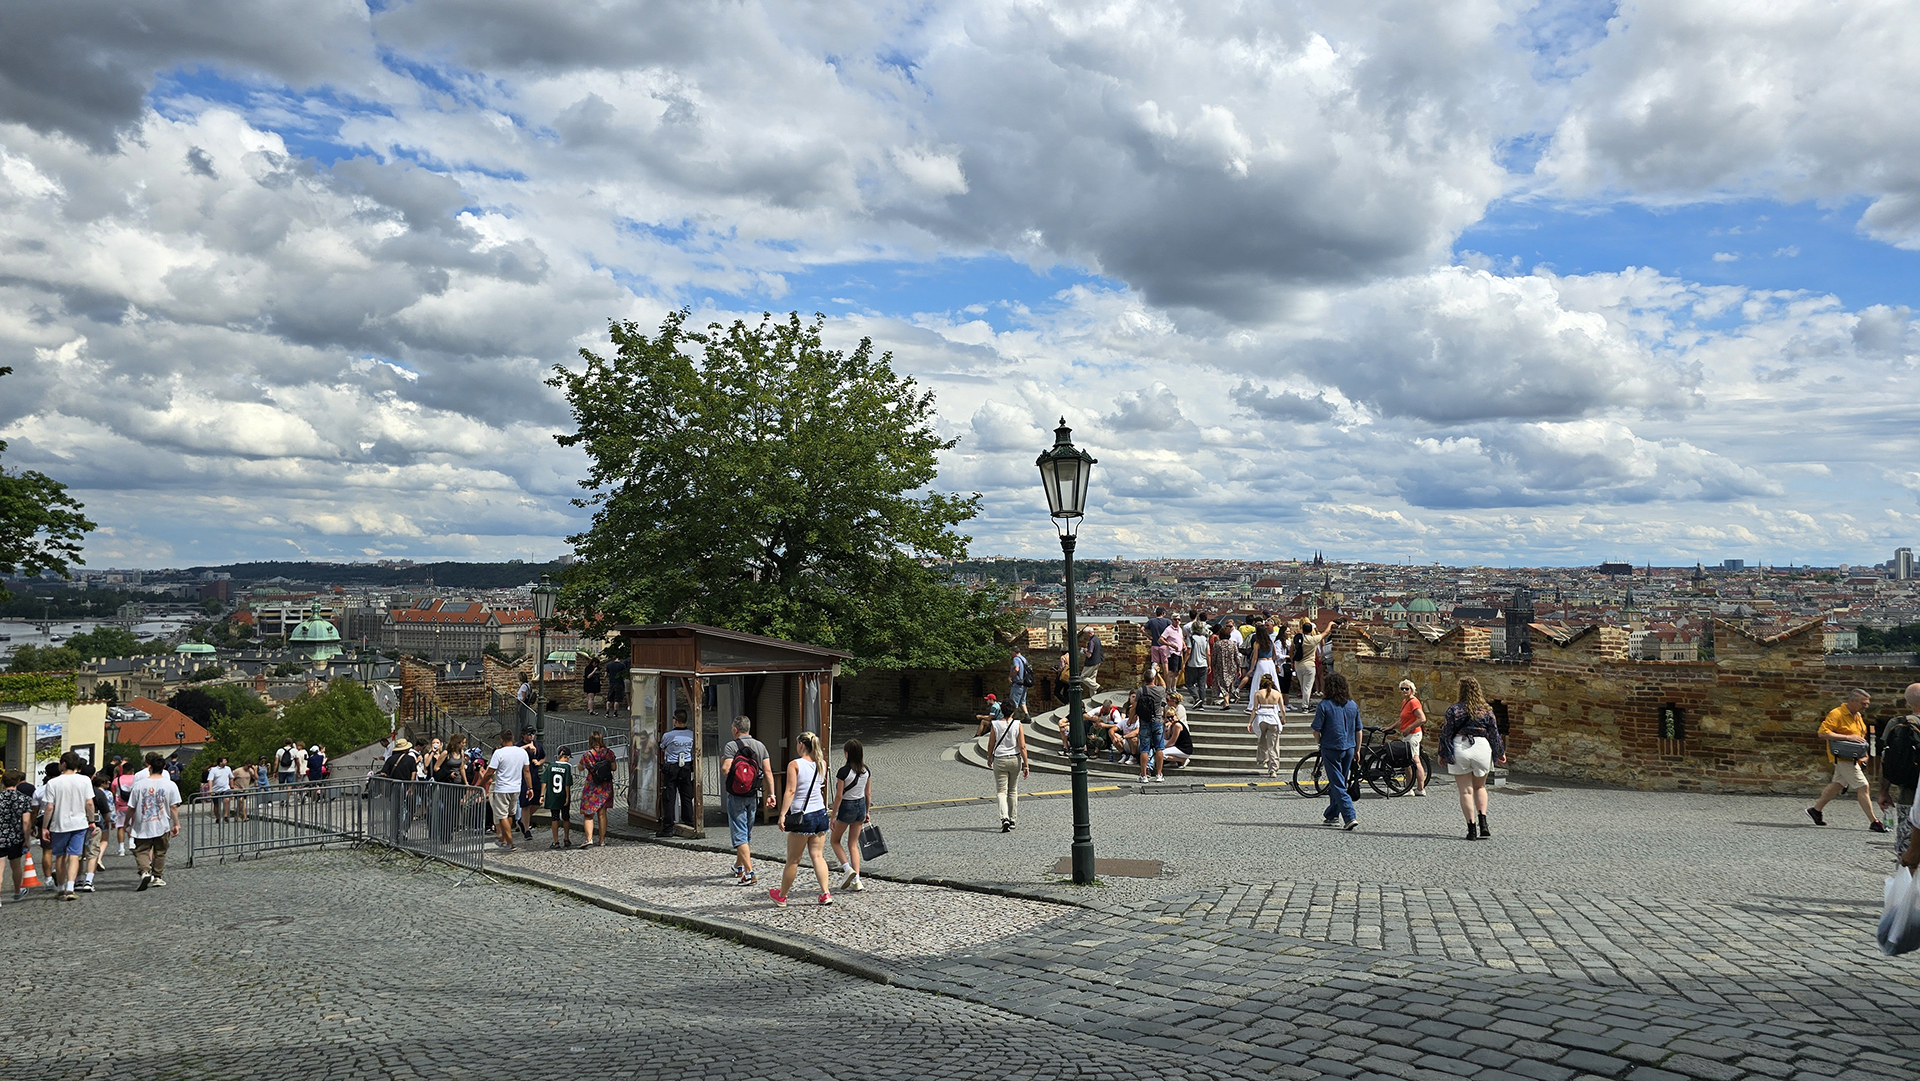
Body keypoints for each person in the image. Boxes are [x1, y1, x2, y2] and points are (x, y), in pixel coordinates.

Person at [770, 731, 834, 907]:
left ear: (800, 745)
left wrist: (782, 814)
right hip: (820, 813)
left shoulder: (795, 764)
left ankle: (782, 896)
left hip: (802, 816)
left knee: (793, 860)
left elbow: (790, 791)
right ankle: (825, 893)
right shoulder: (822, 763)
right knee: (818, 856)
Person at [1808, 688, 1885, 831]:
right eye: (1864, 703)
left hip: (1852, 756)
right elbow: (1822, 733)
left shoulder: (1858, 716)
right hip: (1842, 757)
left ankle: (1816, 810)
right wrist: (1847, 737)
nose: (1866, 706)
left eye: (1867, 703)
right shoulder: (1836, 714)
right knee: (1863, 786)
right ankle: (1874, 821)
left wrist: (1864, 754)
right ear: (1852, 701)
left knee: (1837, 784)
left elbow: (1861, 737)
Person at [1440, 676, 1506, 840]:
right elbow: (1494, 734)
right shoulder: (1486, 710)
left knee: (1466, 791)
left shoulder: (1454, 709)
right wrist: (1500, 752)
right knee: (1480, 787)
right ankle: (1483, 823)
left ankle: (1471, 829)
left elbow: (1446, 733)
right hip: (1481, 747)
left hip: (1461, 746)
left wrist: (1443, 753)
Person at [721, 717, 773, 885]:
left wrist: (723, 761)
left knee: (739, 832)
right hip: (753, 794)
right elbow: (768, 771)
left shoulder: (731, 746)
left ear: (736, 729)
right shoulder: (760, 746)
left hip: (736, 796)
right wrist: (772, 794)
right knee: (745, 831)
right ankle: (738, 866)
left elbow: (726, 770)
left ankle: (749, 873)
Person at [39, 752, 95, 900]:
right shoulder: (84, 780)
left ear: (63, 764)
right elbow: (89, 803)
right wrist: (92, 820)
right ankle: (71, 887)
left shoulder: (53, 783)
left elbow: (49, 807)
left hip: (59, 824)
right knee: (75, 855)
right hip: (79, 823)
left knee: (60, 856)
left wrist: (45, 827)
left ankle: (61, 887)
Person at [1312, 673, 1362, 830]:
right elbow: (1358, 729)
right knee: (1340, 781)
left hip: (1331, 747)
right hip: (1349, 747)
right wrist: (1357, 749)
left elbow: (1316, 729)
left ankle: (1349, 816)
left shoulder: (1324, 705)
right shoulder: (1352, 705)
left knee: (1337, 783)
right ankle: (1332, 814)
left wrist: (1320, 741)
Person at [127, 752, 182, 890]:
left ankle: (145, 870)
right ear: (163, 768)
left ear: (149, 767)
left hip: (142, 823)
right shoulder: (170, 785)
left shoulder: (139, 785)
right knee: (160, 851)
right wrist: (176, 823)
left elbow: (131, 807)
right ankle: (157, 876)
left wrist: (127, 822)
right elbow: (174, 807)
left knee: (141, 850)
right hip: (161, 823)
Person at [1880, 684, 1920, 859]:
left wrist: (1884, 791)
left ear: (1908, 702)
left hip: (1909, 794)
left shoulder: (1898, 724)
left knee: (1907, 844)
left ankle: (1908, 882)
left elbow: (1887, 760)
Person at [829, 739, 872, 893]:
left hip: (847, 806)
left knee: (835, 841)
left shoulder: (843, 772)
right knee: (853, 844)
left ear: (847, 753)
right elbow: (868, 793)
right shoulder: (865, 771)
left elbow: (839, 796)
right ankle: (857, 880)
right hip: (860, 806)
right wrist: (867, 811)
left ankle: (847, 869)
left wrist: (833, 816)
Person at [479, 730, 532, 851]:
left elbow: (489, 772)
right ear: (512, 738)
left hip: (502, 788)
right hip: (516, 787)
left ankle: (510, 842)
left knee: (502, 815)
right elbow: (527, 771)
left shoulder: (499, 753)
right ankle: (504, 839)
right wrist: (530, 787)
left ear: (501, 740)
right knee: (509, 814)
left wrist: (481, 785)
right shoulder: (522, 752)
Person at [983, 694, 1029, 831]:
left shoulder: (995, 724)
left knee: (1001, 791)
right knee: (1013, 790)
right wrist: (1026, 764)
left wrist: (989, 757)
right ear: (1013, 710)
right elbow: (1022, 746)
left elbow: (991, 744)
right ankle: (1013, 818)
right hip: (1015, 759)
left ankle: (1004, 818)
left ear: (1001, 710)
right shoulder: (1017, 724)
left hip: (1000, 759)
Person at [658, 710, 696, 837]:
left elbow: (662, 747)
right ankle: (689, 823)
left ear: (675, 720)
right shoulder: (691, 734)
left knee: (669, 797)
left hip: (672, 766)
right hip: (686, 766)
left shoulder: (668, 736)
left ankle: (668, 827)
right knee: (686, 796)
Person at [579, 731, 617, 848]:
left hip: (592, 786)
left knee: (588, 814)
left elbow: (580, 768)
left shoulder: (587, 755)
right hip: (605, 786)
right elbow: (614, 768)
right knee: (602, 814)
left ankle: (589, 838)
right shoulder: (608, 753)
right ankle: (602, 840)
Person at [1136, 667, 1170, 783]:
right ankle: (1159, 774)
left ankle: (1144, 775)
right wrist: (1159, 673)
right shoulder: (1159, 691)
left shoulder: (1141, 691)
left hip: (1144, 721)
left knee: (1144, 749)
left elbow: (1135, 707)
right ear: (1153, 679)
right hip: (1157, 721)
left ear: (1144, 679)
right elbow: (1164, 685)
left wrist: (1131, 718)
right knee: (1159, 748)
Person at [0, 770, 28, 904]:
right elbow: (26, 822)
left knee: (0, 868)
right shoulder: (23, 799)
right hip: (16, 837)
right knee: (16, 866)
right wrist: (27, 839)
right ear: (18, 782)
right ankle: (17, 892)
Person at [1398, 679, 1429, 796]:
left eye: (1407, 688)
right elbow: (1402, 719)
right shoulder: (1405, 702)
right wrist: (1390, 727)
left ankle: (1420, 788)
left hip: (1413, 734)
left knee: (1415, 761)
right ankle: (1409, 788)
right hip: (1408, 734)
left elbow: (1422, 718)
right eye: (1402, 688)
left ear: (1412, 690)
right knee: (1408, 761)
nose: (1404, 690)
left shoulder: (1413, 702)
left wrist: (1408, 728)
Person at [1251, 674, 1286, 776]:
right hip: (1273, 719)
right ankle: (1273, 768)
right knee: (1273, 745)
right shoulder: (1277, 694)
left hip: (1261, 719)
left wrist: (1250, 722)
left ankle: (1263, 759)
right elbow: (1282, 709)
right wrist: (1283, 718)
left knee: (1262, 739)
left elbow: (1255, 709)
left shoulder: (1258, 693)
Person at [542, 747, 576, 849]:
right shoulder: (567, 767)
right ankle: (566, 838)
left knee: (554, 817)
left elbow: (544, 780)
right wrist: (567, 796)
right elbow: (567, 784)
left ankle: (556, 841)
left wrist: (541, 795)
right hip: (562, 795)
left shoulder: (550, 766)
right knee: (566, 817)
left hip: (552, 796)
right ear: (568, 757)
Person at [1243, 624, 1279, 716]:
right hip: (1270, 663)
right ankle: (1275, 704)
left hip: (1261, 663)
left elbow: (1254, 657)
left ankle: (1253, 706)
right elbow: (1275, 655)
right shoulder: (1270, 642)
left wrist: (1251, 669)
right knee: (1273, 683)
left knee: (1257, 684)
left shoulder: (1257, 643)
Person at [517, 731, 544, 840]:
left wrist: (539, 762)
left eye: (533, 733)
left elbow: (543, 757)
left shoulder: (538, 745)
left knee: (537, 802)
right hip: (523, 778)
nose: (531, 735)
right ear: (523, 734)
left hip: (535, 776)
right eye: (528, 733)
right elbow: (515, 752)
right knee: (526, 804)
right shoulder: (519, 746)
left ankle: (522, 821)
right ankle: (526, 830)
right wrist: (527, 746)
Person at [1294, 619, 1325, 707]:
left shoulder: (1298, 638)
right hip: (1309, 665)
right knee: (1307, 687)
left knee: (1302, 686)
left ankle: (1306, 702)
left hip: (1298, 665)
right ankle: (1305, 706)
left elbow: (1292, 650)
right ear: (1311, 630)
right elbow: (1325, 633)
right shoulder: (1313, 639)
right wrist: (1330, 624)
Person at [1162, 695, 1195, 769]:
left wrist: (1163, 748)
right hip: (1177, 742)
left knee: (1161, 753)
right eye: (1168, 717)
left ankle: (1182, 760)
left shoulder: (1177, 724)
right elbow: (1166, 737)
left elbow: (1172, 742)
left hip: (1183, 747)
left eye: (1172, 717)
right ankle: (1173, 761)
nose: (1170, 719)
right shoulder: (1172, 723)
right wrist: (1166, 728)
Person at [1008, 646, 1033, 722]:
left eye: (1011, 652)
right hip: (1024, 684)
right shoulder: (1023, 659)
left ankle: (1008, 718)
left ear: (1013, 652)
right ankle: (1027, 716)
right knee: (1022, 701)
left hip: (1017, 684)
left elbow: (1016, 669)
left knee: (1013, 702)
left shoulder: (1016, 659)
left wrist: (1010, 676)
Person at [206, 755, 234, 821]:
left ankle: (226, 816)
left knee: (227, 800)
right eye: (225, 760)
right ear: (220, 762)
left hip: (225, 788)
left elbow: (231, 777)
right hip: (216, 789)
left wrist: (232, 786)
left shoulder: (228, 768)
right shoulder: (213, 770)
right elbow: (210, 779)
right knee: (216, 804)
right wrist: (210, 789)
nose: (226, 762)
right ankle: (217, 817)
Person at [1145, 607, 1173, 673]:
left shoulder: (1151, 621)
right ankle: (1166, 682)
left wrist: (1149, 636)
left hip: (1154, 645)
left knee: (1154, 664)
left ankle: (1153, 680)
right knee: (1165, 664)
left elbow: (1142, 629)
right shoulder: (1167, 621)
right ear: (1163, 613)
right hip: (1164, 646)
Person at [1079, 629, 1104, 696]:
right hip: (1098, 661)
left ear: (1089, 633)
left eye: (1085, 634)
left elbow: (1089, 655)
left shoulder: (1091, 641)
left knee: (1083, 677)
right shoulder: (1097, 639)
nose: (1085, 635)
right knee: (1092, 679)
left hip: (1091, 663)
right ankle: (1093, 696)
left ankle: (1098, 687)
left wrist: (1084, 650)